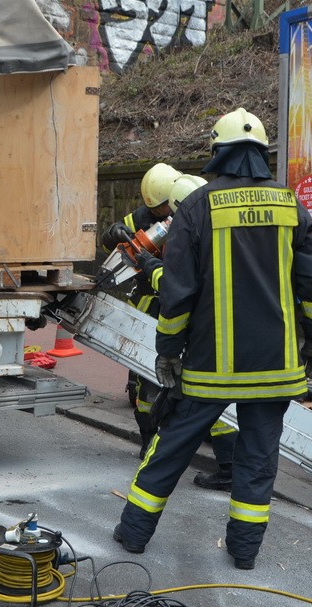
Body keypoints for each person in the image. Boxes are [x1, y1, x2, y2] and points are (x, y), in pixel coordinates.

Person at [112, 108, 312, 569]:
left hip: (209, 367)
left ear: (218, 153)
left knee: (170, 448)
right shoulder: (292, 205)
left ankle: (133, 536)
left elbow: (177, 295)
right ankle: (244, 553)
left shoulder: (196, 207)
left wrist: (168, 352)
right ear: (260, 154)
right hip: (276, 368)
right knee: (258, 463)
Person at [135, 175, 239, 491]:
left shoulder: (193, 230)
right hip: (220, 327)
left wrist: (151, 267)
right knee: (217, 400)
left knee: (188, 396)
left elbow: (176, 286)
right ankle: (229, 468)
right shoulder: (216, 221)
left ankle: (158, 458)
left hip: (195, 327)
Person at [101, 162, 182, 456]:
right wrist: (114, 233)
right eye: (154, 209)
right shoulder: (143, 216)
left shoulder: (188, 213)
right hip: (148, 300)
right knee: (143, 377)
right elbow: (111, 240)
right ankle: (148, 436)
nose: (158, 214)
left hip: (178, 299)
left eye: (161, 208)